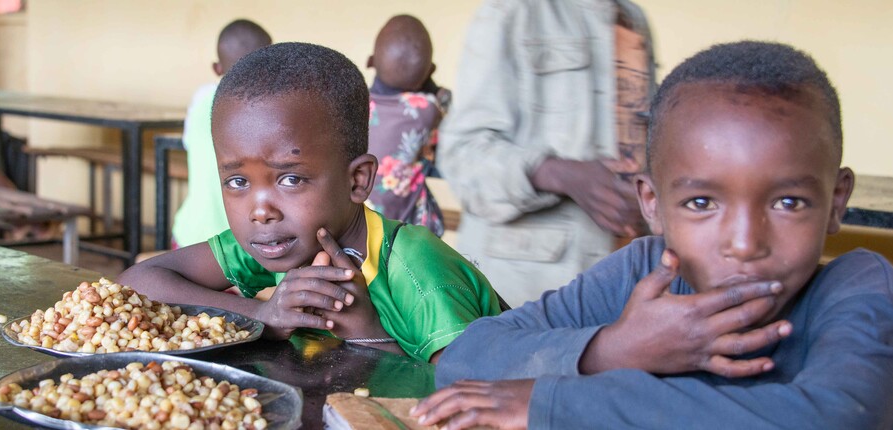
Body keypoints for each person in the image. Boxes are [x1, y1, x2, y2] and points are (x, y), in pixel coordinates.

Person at [411, 41, 893, 429]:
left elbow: (840, 417)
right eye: (701, 203)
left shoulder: (855, 286)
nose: (745, 244)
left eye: (788, 203)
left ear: (836, 200)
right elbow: (467, 357)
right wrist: (614, 350)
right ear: (652, 204)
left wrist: (560, 403)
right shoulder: (646, 271)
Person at [118, 42, 501, 363]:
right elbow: (137, 281)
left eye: (291, 179)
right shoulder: (281, 242)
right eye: (238, 181)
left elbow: (472, 400)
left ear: (357, 180)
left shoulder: (416, 270)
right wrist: (262, 314)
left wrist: (369, 333)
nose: (260, 210)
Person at [439, 0, 656, 306]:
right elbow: (461, 156)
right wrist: (561, 175)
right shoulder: (513, 10)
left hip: (624, 284)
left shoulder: (632, 18)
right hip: (524, 295)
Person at [170, 19, 272, 249]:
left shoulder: (202, 99)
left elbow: (190, 144)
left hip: (189, 236)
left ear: (217, 68)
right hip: (241, 244)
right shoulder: (271, 108)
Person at [365, 15, 448, 237]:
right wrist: (433, 87)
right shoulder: (426, 111)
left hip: (358, 224)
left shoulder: (356, 104)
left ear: (371, 62)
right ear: (429, 71)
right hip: (405, 231)